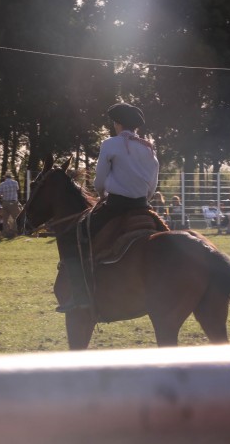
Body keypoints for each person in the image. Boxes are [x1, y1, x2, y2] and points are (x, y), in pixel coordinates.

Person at [57, 102, 159, 313]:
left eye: (114, 122)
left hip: (116, 206)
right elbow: (152, 183)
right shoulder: (148, 147)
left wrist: (102, 194)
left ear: (118, 123)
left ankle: (80, 297)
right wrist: (143, 197)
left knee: (71, 238)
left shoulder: (110, 144)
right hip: (142, 206)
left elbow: (100, 180)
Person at [0, 172, 20, 238]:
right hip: (13, 202)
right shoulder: (15, 182)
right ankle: (14, 232)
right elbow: (17, 189)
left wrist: (3, 197)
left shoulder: (2, 184)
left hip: (5, 202)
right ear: (11, 177)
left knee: (5, 219)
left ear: (5, 177)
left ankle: (5, 233)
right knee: (16, 218)